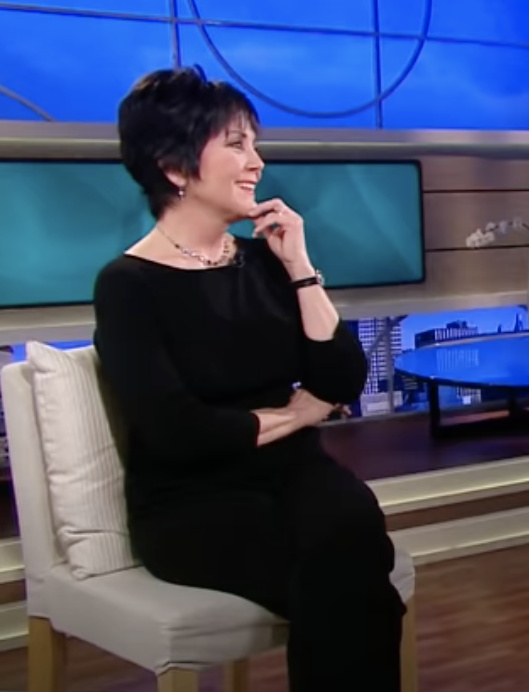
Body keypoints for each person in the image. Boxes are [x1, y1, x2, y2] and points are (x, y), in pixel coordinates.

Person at [91, 67, 404, 691]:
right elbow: (179, 432)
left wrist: (302, 268)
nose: (256, 162)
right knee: (349, 578)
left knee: (350, 534)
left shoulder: (266, 259)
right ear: (175, 169)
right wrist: (296, 414)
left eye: (253, 144)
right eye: (236, 145)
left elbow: (342, 377)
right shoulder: (128, 285)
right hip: (192, 501)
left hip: (296, 474)